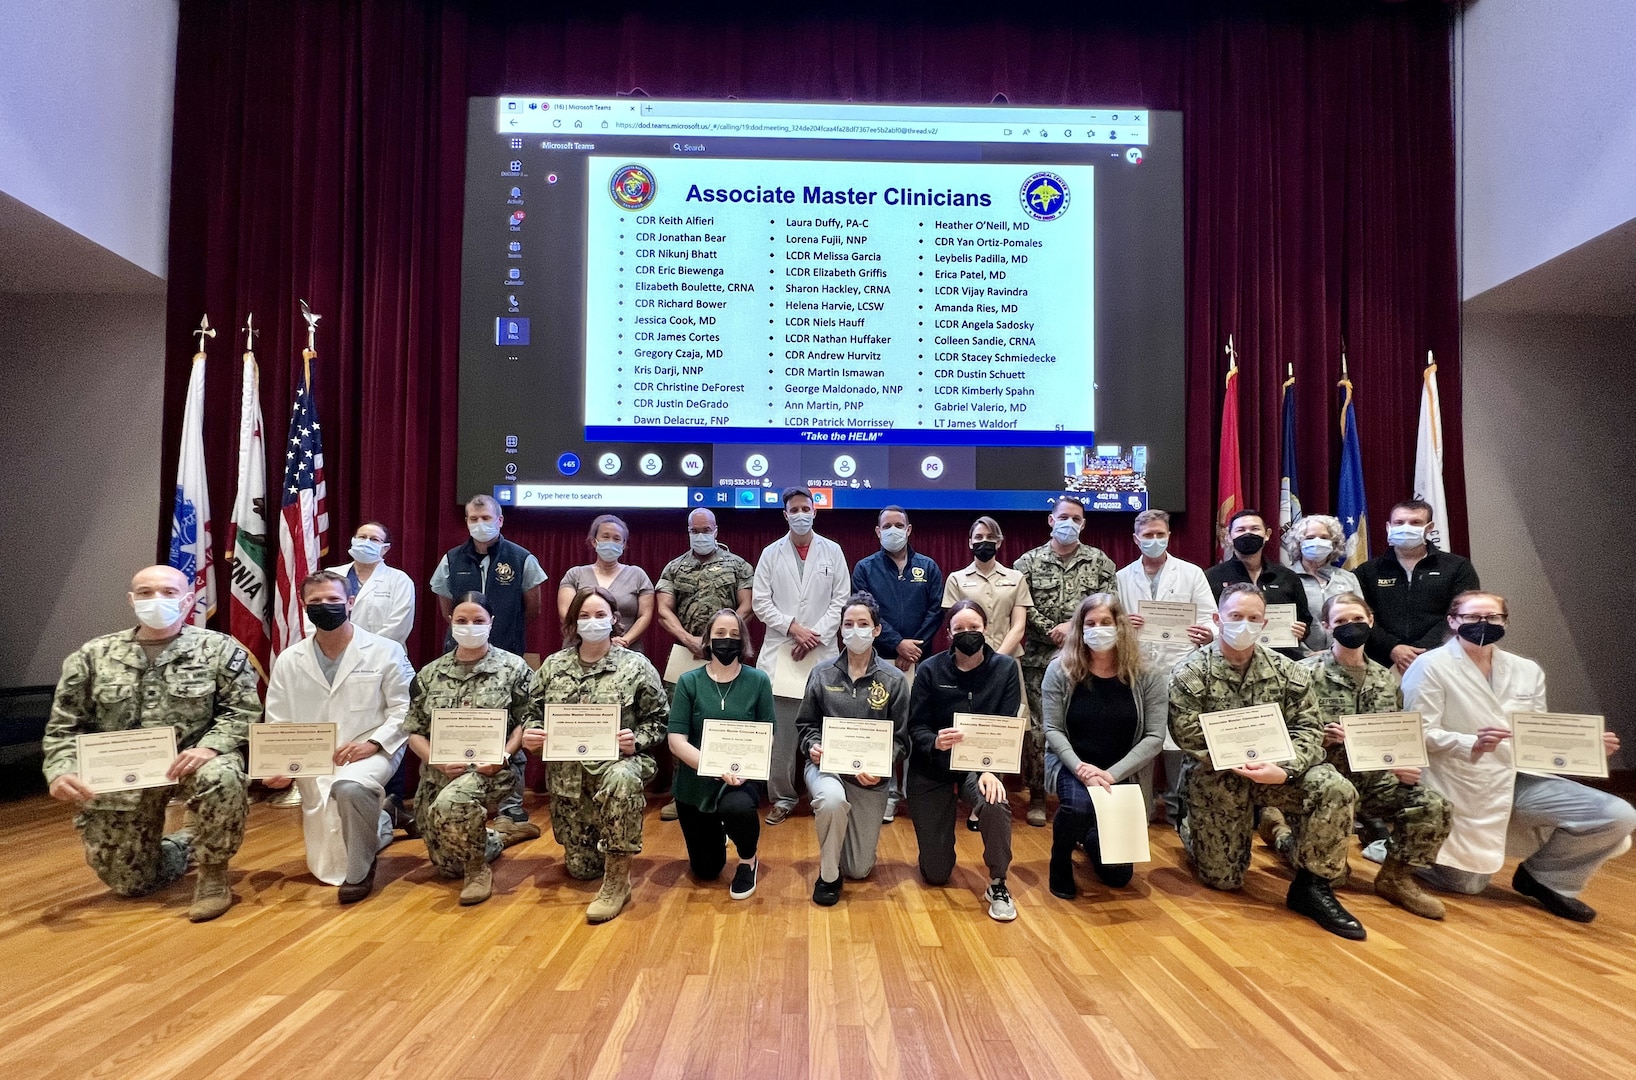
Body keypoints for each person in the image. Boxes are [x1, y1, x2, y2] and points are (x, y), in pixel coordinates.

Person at [1402, 590, 1635, 922]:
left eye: (1493, 617)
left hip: (1516, 778)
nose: (1483, 624)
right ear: (1453, 621)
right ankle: (1396, 845)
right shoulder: (1430, 666)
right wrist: (1471, 743)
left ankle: (1546, 878)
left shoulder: (1526, 670)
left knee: (1617, 815)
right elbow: (1418, 732)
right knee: (1467, 886)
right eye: (1472, 617)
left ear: (1505, 622)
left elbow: (1535, 735)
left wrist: (1585, 749)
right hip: (1458, 780)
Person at [42, 565, 258, 922]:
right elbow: (65, 725)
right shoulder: (92, 655)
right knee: (130, 883)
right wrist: (60, 770)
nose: (156, 599)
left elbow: (243, 709)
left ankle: (214, 873)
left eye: (169, 592)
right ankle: (184, 844)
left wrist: (212, 747)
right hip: (122, 774)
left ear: (188, 600)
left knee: (222, 774)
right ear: (131, 600)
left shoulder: (218, 649)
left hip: (190, 761)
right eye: (145, 592)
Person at [1169, 583, 1366, 939]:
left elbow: (1309, 728)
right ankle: (1190, 824)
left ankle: (1311, 887)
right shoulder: (1190, 671)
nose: (1244, 624)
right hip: (1219, 776)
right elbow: (1187, 735)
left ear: (1264, 623)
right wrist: (1236, 762)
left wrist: (1283, 770)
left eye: (1253, 618)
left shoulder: (1288, 671)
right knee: (1223, 880)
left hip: (1279, 771)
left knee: (1336, 788)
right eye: (1235, 617)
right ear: (1217, 619)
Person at [1261, 593, 1452, 919]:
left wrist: (1402, 766)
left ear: (1371, 621)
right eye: (1341, 622)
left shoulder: (1386, 679)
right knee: (1335, 876)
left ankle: (1396, 878)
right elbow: (1279, 734)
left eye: (1357, 621)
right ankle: (1280, 835)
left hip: (1372, 779)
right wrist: (1320, 737)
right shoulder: (1304, 674)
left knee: (1433, 804)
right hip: (1321, 783)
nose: (1351, 627)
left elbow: (1392, 736)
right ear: (1326, 626)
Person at [263, 570, 415, 903]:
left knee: (348, 788)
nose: (325, 606)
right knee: (324, 849)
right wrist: (279, 766)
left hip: (372, 749)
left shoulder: (385, 651)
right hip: (312, 757)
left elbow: (406, 709)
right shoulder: (289, 660)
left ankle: (360, 872)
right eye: (315, 601)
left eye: (333, 600)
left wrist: (373, 743)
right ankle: (384, 820)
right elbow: (277, 719)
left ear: (349, 602)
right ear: (303, 606)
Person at [524, 587, 669, 923]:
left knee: (621, 778)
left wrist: (638, 738)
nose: (592, 622)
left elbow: (660, 720)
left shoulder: (635, 666)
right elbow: (532, 714)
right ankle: (596, 856)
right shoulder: (553, 666)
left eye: (600, 615)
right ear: (572, 622)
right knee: (581, 870)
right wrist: (533, 735)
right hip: (569, 782)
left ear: (614, 619)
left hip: (618, 765)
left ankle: (618, 880)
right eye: (584, 616)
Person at [401, 592, 536, 906]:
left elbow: (528, 719)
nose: (470, 626)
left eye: (478, 621)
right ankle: (497, 837)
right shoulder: (430, 674)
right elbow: (413, 731)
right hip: (441, 772)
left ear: (492, 623)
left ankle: (477, 870)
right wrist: (436, 760)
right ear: (450, 622)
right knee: (448, 866)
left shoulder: (513, 668)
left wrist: (503, 753)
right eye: (462, 621)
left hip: (495, 770)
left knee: (451, 808)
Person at [429, 494, 547, 829]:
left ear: (500, 520)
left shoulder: (522, 558)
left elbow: (533, 609)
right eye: (472, 518)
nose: (480, 524)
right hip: (461, 656)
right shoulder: (451, 560)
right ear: (466, 521)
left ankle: (511, 805)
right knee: (465, 724)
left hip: (507, 653)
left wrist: (500, 636)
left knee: (515, 725)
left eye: (486, 518)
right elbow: (446, 608)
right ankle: (464, 792)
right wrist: (468, 633)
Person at [1041, 593, 1165, 899]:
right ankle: (1060, 858)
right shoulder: (1060, 669)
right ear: (1079, 630)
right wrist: (1082, 770)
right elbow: (1053, 729)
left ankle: (1088, 832)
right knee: (1078, 805)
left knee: (1118, 877)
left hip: (1123, 771)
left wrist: (1111, 774)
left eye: (1106, 622)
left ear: (1120, 625)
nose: (1099, 629)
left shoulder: (1147, 674)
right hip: (1074, 764)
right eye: (1090, 623)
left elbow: (1154, 737)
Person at [906, 599, 1023, 922]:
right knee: (936, 874)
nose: (968, 633)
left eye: (975, 628)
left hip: (979, 765)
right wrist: (935, 742)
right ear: (948, 634)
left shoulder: (1005, 668)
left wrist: (990, 770)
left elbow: (1006, 725)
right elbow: (916, 726)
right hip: (934, 766)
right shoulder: (930, 669)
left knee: (994, 801)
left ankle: (998, 882)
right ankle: (938, 851)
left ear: (986, 630)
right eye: (960, 629)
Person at [796, 593, 910, 905]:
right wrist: (812, 745)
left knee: (859, 869)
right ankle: (828, 874)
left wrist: (882, 766)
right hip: (827, 768)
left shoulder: (894, 680)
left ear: (876, 630)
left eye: (863, 624)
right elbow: (805, 724)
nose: (855, 630)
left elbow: (902, 739)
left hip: (869, 777)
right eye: (849, 624)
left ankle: (842, 848)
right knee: (831, 801)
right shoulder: (822, 673)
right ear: (840, 630)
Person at [1014, 496, 1118, 827]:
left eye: (1076, 518)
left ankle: (1084, 794)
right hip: (1039, 660)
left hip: (1089, 660)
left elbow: (1109, 605)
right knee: (1040, 732)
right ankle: (1038, 796)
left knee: (1086, 725)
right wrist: (1053, 631)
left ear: (1084, 524)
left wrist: (1073, 628)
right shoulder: (1027, 563)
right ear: (1050, 520)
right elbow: (1022, 607)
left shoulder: (1100, 561)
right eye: (1063, 517)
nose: (1069, 523)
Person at [752, 486, 850, 825]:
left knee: (826, 729)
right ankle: (782, 797)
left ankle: (829, 791)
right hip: (783, 653)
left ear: (815, 511)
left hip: (822, 652)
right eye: (793, 509)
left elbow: (842, 601)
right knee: (781, 735)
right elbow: (760, 602)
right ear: (785, 514)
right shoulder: (770, 553)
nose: (800, 514)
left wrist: (814, 634)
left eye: (805, 508)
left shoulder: (833, 551)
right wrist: (794, 629)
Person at [1114, 508, 1215, 823]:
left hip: (1181, 667)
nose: (1154, 540)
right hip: (1137, 669)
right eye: (1148, 536)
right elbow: (1109, 623)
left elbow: (1212, 618)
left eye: (1160, 534)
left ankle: (1176, 811)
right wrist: (1122, 624)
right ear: (1136, 539)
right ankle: (1140, 812)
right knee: (1140, 740)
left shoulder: (1191, 573)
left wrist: (1206, 633)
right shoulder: (1121, 577)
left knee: (1177, 742)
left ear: (1169, 536)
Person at [654, 507, 754, 822]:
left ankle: (732, 787)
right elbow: (663, 610)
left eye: (705, 529)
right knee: (681, 722)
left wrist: (719, 638)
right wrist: (690, 639)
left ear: (716, 530)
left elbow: (747, 606)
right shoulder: (674, 567)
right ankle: (680, 792)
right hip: (686, 655)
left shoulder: (738, 565)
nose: (700, 535)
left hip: (728, 653)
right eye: (694, 530)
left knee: (730, 718)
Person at [667, 609, 776, 898]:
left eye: (734, 635)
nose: (726, 641)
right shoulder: (689, 681)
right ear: (708, 640)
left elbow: (768, 735)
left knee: (736, 807)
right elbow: (676, 740)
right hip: (695, 780)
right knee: (706, 870)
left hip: (742, 778)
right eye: (719, 635)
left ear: (743, 642)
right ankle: (719, 832)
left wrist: (740, 770)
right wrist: (713, 766)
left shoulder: (759, 681)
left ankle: (747, 858)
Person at [849, 505, 942, 822]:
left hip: (919, 661)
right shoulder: (865, 567)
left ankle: (912, 792)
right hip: (878, 659)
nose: (892, 530)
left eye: (898, 524)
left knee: (916, 727)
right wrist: (896, 643)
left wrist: (912, 646)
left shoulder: (928, 567)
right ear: (877, 531)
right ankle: (887, 793)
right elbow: (865, 611)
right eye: (886, 525)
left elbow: (936, 612)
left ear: (909, 529)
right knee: (883, 728)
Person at [1358, 499, 1481, 673]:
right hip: (1381, 664)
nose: (1406, 527)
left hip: (1442, 659)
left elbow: (1461, 614)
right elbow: (1360, 616)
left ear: (1429, 528)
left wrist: (1424, 651)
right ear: (1388, 527)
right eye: (1399, 523)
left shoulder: (1457, 567)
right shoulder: (1367, 571)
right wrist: (1393, 648)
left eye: (1415, 522)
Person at [1204, 509, 1309, 659]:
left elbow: (1305, 619)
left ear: (1267, 534)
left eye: (1255, 529)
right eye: (1241, 530)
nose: (1248, 534)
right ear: (1228, 536)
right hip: (1229, 659)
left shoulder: (1288, 577)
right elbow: (1208, 619)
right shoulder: (1212, 577)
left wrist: (1302, 631)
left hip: (1281, 661)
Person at [556, 514, 655, 654]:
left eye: (616, 539)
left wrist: (624, 641)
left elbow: (645, 615)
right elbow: (566, 614)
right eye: (605, 537)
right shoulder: (575, 574)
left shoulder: (638, 575)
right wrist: (594, 641)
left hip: (625, 651)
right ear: (594, 541)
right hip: (579, 649)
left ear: (624, 544)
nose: (611, 542)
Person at [941, 516, 1031, 657]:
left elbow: (1018, 627)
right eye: (979, 537)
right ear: (970, 543)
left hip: (1008, 658)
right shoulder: (955, 580)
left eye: (990, 537)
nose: (984, 541)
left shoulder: (1016, 578)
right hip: (968, 659)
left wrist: (998, 659)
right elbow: (955, 626)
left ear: (999, 542)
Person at [326, 521, 415, 646]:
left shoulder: (400, 580)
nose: (366, 542)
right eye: (362, 537)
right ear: (353, 540)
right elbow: (314, 617)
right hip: (334, 648)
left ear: (385, 548)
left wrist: (365, 650)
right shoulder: (330, 576)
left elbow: (399, 626)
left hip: (381, 655)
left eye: (374, 539)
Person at [1288, 515, 1361, 655]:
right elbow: (1282, 625)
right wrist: (1306, 654)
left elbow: (1360, 620)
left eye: (1324, 537)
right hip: (1298, 661)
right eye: (1309, 538)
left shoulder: (1348, 578)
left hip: (1343, 657)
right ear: (1299, 543)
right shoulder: (1285, 578)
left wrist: (1335, 652)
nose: (1317, 542)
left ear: (1334, 543)